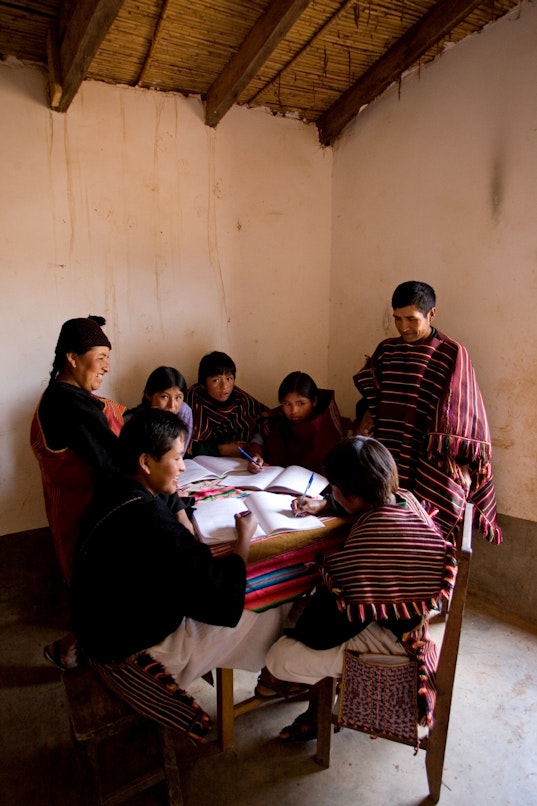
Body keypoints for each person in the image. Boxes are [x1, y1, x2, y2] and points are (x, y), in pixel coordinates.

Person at [70, 408, 289, 695]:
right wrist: (243, 540)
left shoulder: (113, 491)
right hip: (131, 653)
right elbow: (221, 595)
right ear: (146, 463)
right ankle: (277, 677)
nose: (183, 467)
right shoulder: (151, 520)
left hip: (97, 632)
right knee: (268, 605)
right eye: (176, 459)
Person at [255, 436, 457, 742]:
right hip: (408, 616)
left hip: (397, 644)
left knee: (281, 654)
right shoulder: (403, 499)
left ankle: (309, 691)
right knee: (303, 613)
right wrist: (326, 504)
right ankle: (311, 696)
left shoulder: (370, 545)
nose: (331, 493)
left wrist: (315, 599)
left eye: (334, 489)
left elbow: (322, 631)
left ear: (352, 495)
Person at [353, 281, 502, 544]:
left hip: (427, 458)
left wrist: (463, 463)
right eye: (397, 319)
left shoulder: (451, 354)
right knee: (384, 522)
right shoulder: (387, 350)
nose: (403, 327)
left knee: (423, 532)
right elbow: (372, 393)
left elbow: (465, 413)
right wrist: (366, 412)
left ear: (431, 313)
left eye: (411, 319)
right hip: (388, 449)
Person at [30, 315, 125, 670]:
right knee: (104, 592)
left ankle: (72, 651)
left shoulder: (64, 396)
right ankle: (100, 662)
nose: (106, 366)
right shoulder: (69, 404)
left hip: (72, 512)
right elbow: (112, 465)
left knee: (94, 594)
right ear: (73, 358)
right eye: (100, 357)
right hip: (87, 516)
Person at [246, 371, 345, 475]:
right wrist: (255, 456)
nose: (293, 411)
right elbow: (257, 441)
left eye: (301, 403)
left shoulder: (325, 422)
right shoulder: (275, 420)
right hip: (276, 482)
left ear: (314, 401)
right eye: (287, 403)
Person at [186, 351, 266, 457]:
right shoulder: (194, 397)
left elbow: (264, 420)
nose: (224, 386)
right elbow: (184, 445)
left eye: (229, 379)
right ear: (203, 384)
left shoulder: (242, 401)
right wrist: (221, 449)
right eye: (216, 380)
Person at [124, 365, 193, 449]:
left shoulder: (184, 412)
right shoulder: (131, 422)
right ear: (148, 395)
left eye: (178, 397)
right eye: (164, 397)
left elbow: (180, 453)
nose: (171, 405)